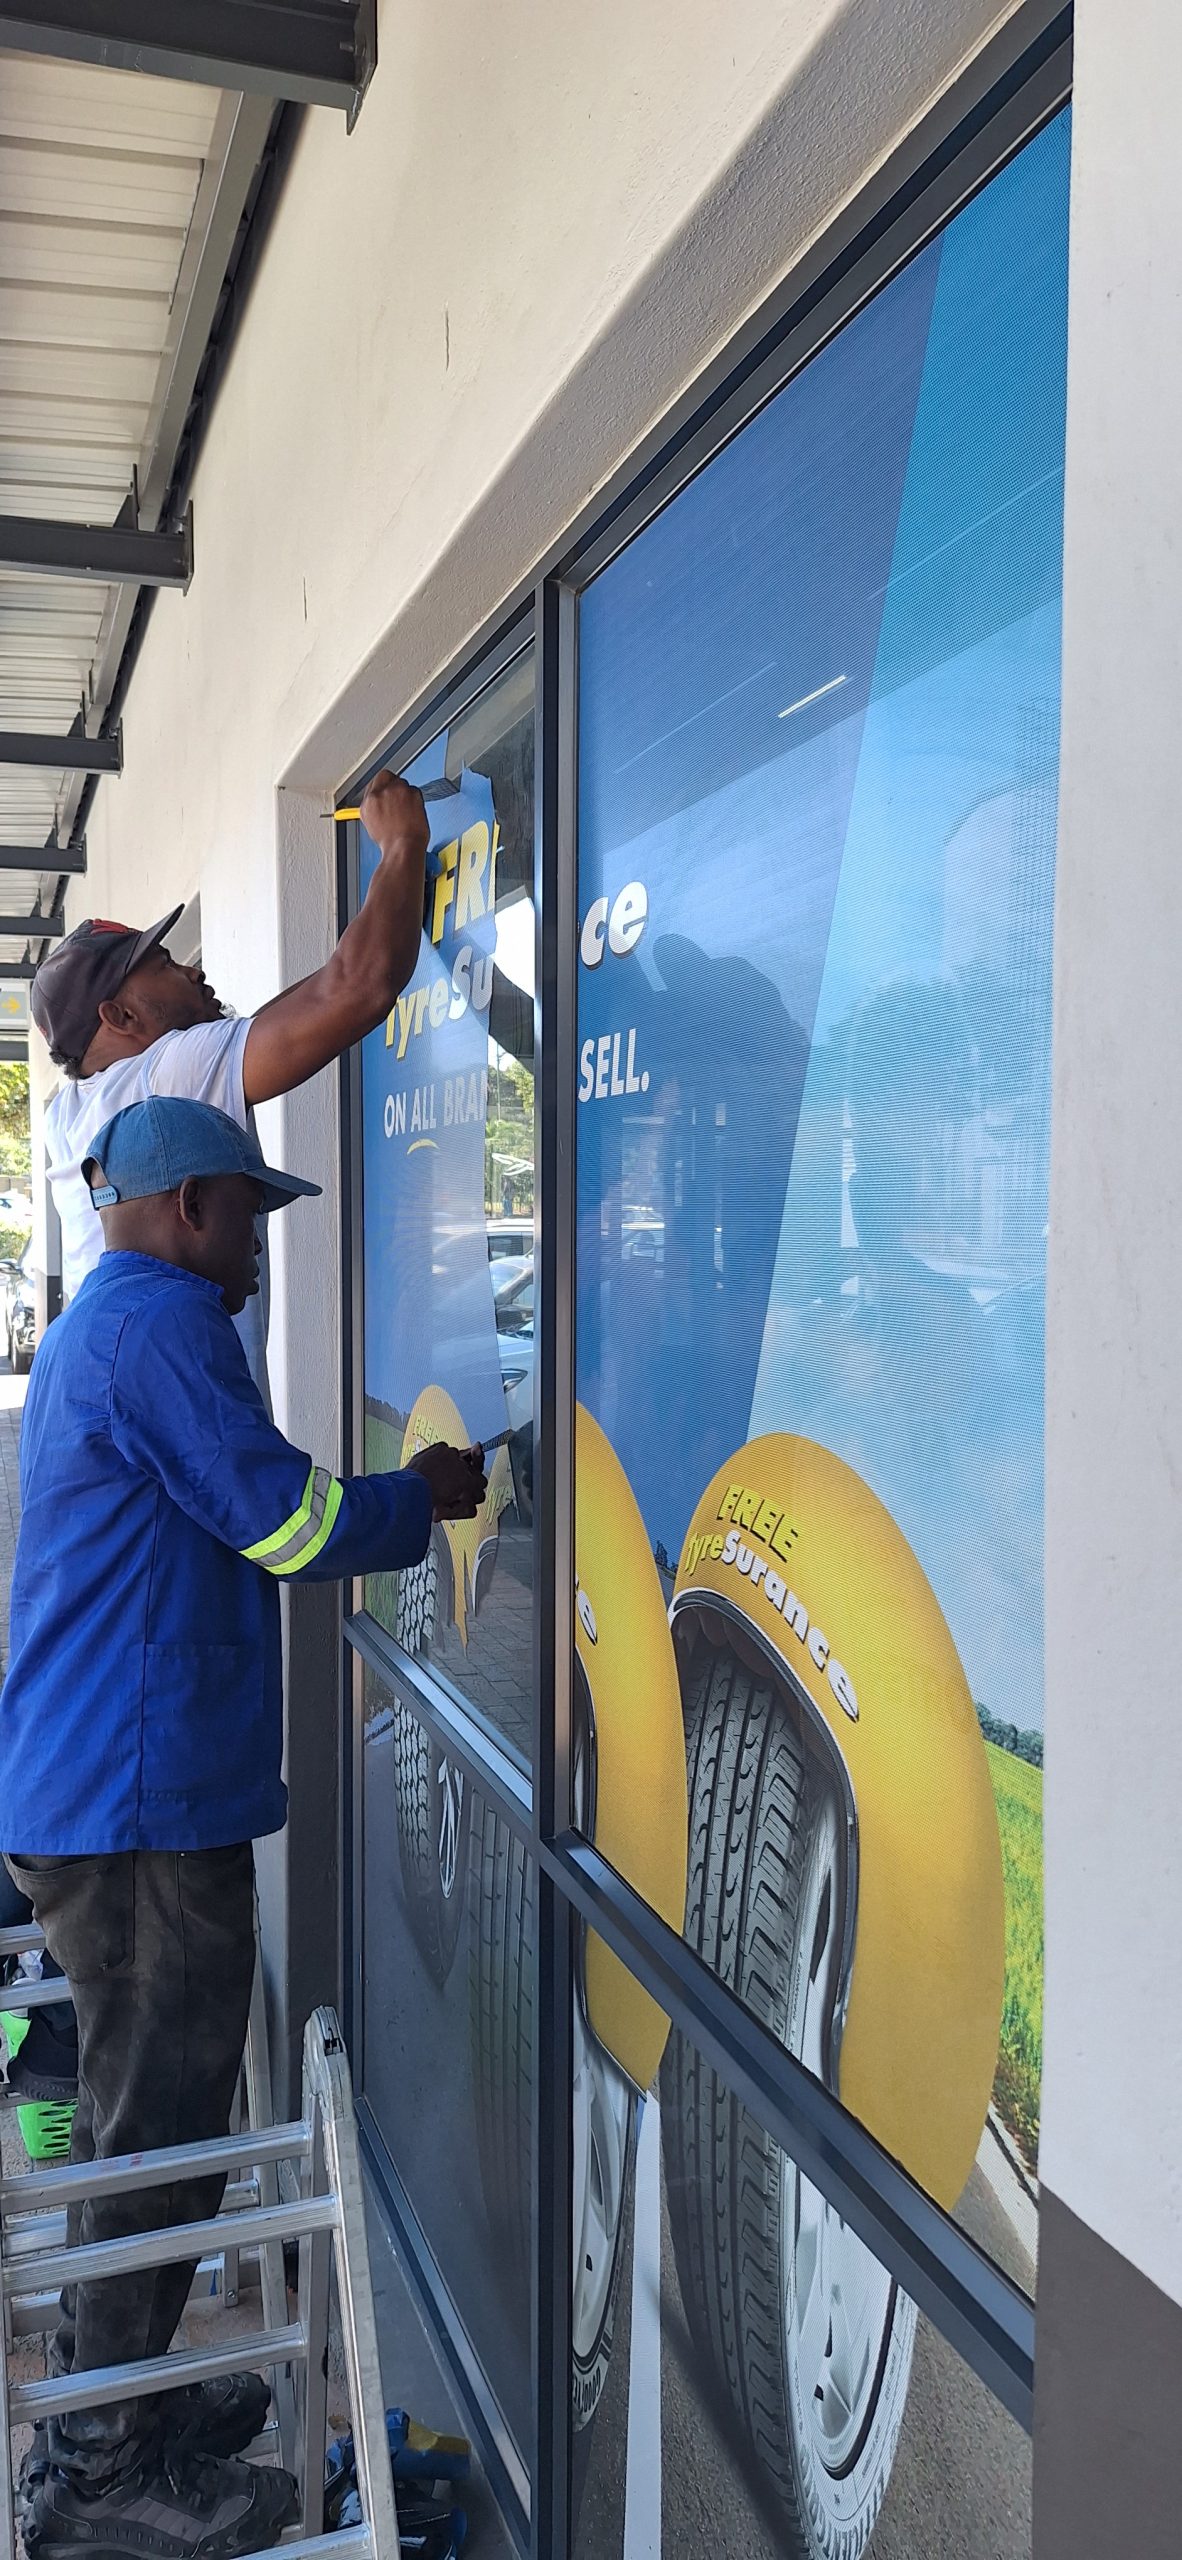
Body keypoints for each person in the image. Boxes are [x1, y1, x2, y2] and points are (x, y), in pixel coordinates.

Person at [0, 1096, 486, 2560]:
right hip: (135, 1807)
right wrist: (420, 1499)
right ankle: (102, 2471)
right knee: (154, 2135)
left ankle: (122, 2401)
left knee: (144, 2121)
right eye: (250, 1214)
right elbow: (284, 1522)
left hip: (114, 1791)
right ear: (188, 1208)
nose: (262, 1248)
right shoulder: (160, 1325)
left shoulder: (107, 1323)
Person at [31, 769, 428, 1399]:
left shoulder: (74, 1110)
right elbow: (357, 989)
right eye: (165, 966)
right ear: (120, 1017)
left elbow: (297, 1006)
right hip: (186, 1419)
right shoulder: (166, 1074)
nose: (193, 970)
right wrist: (402, 843)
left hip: (133, 1398)